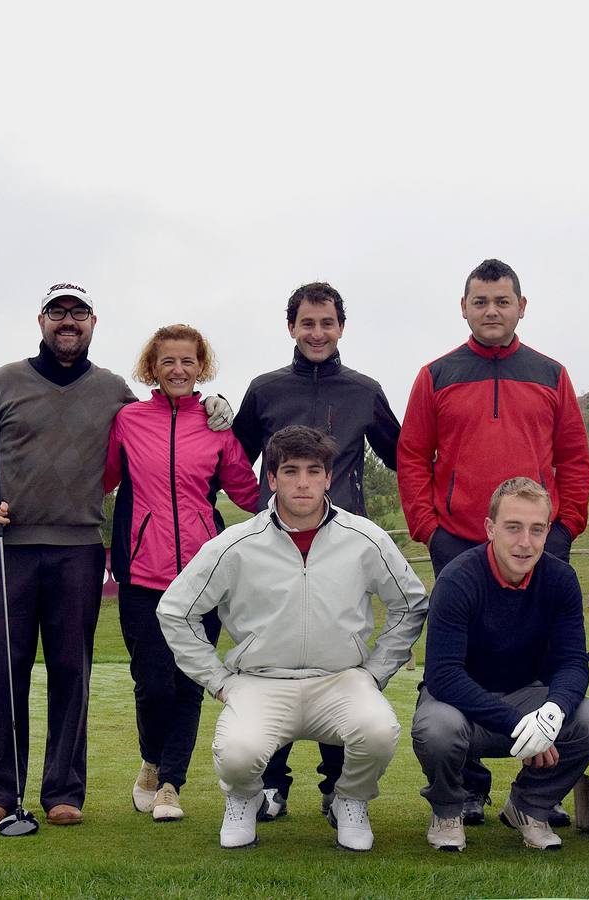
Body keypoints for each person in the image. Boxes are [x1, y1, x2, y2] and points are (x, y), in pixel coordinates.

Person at [0, 282, 236, 829]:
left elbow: (167, 419)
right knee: (6, 670)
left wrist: (213, 406)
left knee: (70, 672)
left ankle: (64, 791)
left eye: (78, 314)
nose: (69, 322)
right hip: (10, 546)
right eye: (58, 313)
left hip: (80, 549)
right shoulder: (4, 380)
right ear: (42, 320)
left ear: (92, 323)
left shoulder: (113, 391)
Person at [157, 425, 428, 851]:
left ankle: (350, 800)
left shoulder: (365, 539)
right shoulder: (237, 544)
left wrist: (375, 672)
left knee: (378, 730)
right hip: (260, 682)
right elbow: (175, 610)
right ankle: (244, 799)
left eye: (313, 471)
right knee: (238, 752)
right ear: (272, 478)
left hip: (340, 679)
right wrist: (217, 680)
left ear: (328, 477)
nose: (302, 483)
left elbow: (410, 604)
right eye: (290, 471)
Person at [398, 257, 589, 825]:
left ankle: (535, 786)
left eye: (502, 301)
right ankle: (469, 788)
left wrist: (565, 527)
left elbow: (574, 459)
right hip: (458, 543)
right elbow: (412, 457)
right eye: (480, 302)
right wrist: (429, 532)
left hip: (538, 546)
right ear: (464, 308)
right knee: (465, 662)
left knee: (533, 662)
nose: (491, 311)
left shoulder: (551, 374)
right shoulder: (436, 375)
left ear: (521, 307)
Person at [233, 280, 402, 821]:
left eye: (327, 323)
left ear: (341, 328)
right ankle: (270, 785)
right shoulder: (264, 389)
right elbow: (232, 459)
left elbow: (403, 454)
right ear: (291, 327)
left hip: (342, 550)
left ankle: (337, 788)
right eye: (307, 323)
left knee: (336, 659)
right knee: (275, 657)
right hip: (273, 548)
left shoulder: (365, 390)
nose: (317, 332)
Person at [105, 324, 258, 823]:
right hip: (142, 577)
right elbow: (101, 477)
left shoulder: (216, 426)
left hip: (202, 577)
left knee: (189, 683)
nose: (177, 370)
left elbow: (247, 491)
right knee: (153, 684)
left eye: (187, 361)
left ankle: (171, 784)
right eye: (167, 361)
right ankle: (150, 763)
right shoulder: (128, 420)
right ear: (153, 366)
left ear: (201, 367)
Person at [411, 477, 589, 852]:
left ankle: (529, 806)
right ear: (490, 528)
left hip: (528, 695)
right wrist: (517, 724)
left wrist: (552, 712)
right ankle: (448, 810)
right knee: (436, 728)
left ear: (548, 531)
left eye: (536, 529)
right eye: (513, 527)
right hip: (461, 705)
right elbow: (443, 675)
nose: (525, 542)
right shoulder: (458, 579)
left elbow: (573, 663)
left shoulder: (561, 579)